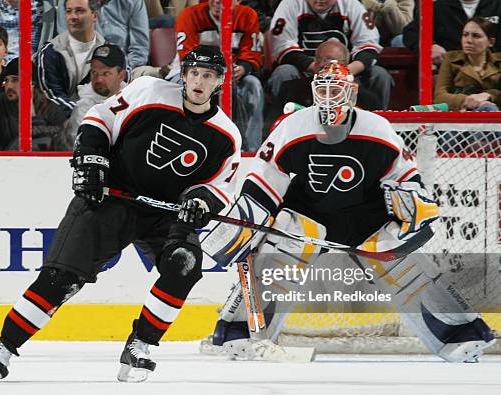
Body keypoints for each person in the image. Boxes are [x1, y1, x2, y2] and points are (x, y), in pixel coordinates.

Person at [0, 44, 242, 383]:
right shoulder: (149, 91)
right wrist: (91, 158)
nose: (200, 81)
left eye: (209, 76)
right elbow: (100, 117)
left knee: (184, 265)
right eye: (195, 73)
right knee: (61, 279)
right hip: (110, 198)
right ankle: (3, 347)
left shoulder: (226, 134)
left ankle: (140, 345)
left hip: (162, 212)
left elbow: (219, 186)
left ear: (219, 82)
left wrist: (201, 202)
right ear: (184, 75)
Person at [201, 61, 496, 363]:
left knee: (404, 267)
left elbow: (406, 179)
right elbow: (264, 180)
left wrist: (416, 208)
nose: (328, 97)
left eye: (335, 89)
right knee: (279, 253)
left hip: (367, 217)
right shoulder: (293, 125)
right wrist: (247, 221)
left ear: (351, 94)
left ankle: (460, 335)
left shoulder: (377, 128)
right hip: (308, 214)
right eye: (322, 90)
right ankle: (237, 333)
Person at [173, 0, 265, 152]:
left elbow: (252, 51)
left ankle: (250, 149)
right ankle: (183, 143)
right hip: (191, 73)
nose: (218, 1)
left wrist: (243, 67)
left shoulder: (248, 15)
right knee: (177, 87)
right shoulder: (190, 15)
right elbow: (187, 55)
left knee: (253, 85)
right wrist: (217, 73)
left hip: (234, 75)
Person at [268, 0, 393, 109]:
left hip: (347, 73)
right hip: (306, 71)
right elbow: (281, 46)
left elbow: (369, 44)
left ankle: (378, 124)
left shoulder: (352, 5)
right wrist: (319, 69)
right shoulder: (289, 5)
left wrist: (344, 72)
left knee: (379, 74)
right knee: (284, 72)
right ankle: (283, 124)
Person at [268, 38, 382, 123]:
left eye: (328, 59)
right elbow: (273, 125)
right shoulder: (291, 89)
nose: (321, 64)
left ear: (344, 64)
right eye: (318, 59)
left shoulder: (367, 99)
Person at [35, 0, 105, 119]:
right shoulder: (50, 52)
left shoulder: (109, 51)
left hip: (103, 121)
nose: (73, 17)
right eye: (68, 11)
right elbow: (53, 97)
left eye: (79, 11)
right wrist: (84, 116)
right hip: (63, 123)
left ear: (94, 15)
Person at [403, 0, 501, 66]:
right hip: (452, 69)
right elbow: (412, 32)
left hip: (494, 69)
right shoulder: (438, 7)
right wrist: (429, 46)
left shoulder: (497, 5)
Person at [434, 17, 501, 111]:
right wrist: (467, 100)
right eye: (465, 35)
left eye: (476, 36)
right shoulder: (451, 58)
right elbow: (439, 96)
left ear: (491, 42)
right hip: (462, 113)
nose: (468, 40)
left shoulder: (499, 61)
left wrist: (488, 95)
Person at [67, 43, 127, 147]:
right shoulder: (83, 108)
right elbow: (80, 148)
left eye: (106, 73)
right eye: (94, 73)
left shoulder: (134, 98)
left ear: (121, 75)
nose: (99, 80)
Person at [96, 0, 149, 70]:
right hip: (89, 67)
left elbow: (140, 48)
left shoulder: (134, 2)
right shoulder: (82, 4)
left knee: (149, 74)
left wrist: (125, 70)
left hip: (126, 67)